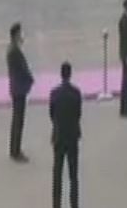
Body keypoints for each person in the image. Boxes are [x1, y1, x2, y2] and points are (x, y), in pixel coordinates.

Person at [49, 61, 82, 208]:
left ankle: (56, 204)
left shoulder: (54, 93)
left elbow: (52, 114)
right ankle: (74, 204)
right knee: (73, 174)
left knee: (57, 173)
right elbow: (78, 113)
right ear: (70, 74)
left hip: (59, 136)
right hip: (72, 135)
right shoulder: (76, 93)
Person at [7, 21, 34, 162]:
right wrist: (30, 80)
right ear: (16, 34)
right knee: (18, 121)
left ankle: (15, 149)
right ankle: (15, 151)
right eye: (20, 33)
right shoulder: (14, 52)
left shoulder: (14, 49)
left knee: (17, 120)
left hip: (17, 88)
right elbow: (22, 70)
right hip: (18, 89)